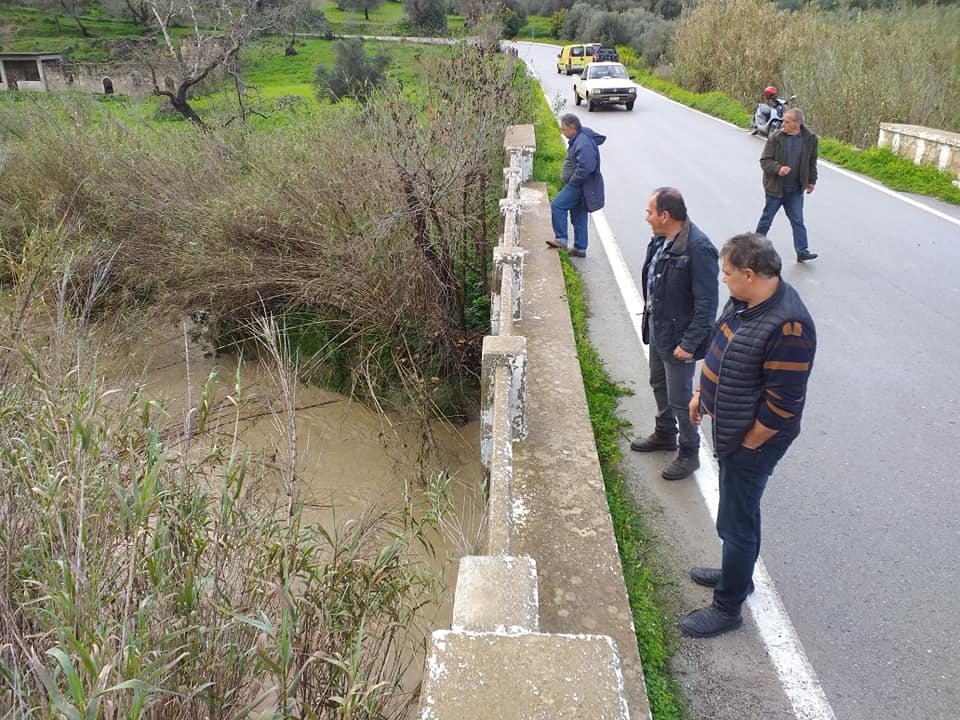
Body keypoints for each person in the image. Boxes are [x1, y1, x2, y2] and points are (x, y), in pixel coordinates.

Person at [680, 233, 816, 638]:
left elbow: (783, 404)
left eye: (727, 273)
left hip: (753, 439)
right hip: (733, 426)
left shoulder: (789, 325)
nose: (723, 280)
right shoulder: (746, 302)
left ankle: (728, 607)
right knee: (743, 511)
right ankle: (738, 575)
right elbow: (726, 353)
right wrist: (703, 395)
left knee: (735, 522)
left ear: (750, 274)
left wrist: (750, 444)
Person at [630, 188, 719, 481]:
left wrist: (690, 343)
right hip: (659, 328)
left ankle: (689, 452)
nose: (646, 217)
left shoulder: (698, 248)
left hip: (679, 337)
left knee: (681, 397)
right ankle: (665, 433)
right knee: (658, 382)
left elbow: (706, 304)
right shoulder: (662, 241)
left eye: (649, 212)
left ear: (665, 216)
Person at [755, 108, 819, 262]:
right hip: (776, 188)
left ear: (797, 123)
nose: (783, 123)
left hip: (796, 189)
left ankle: (802, 251)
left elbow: (812, 161)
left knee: (798, 221)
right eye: (784, 120)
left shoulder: (810, 139)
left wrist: (811, 181)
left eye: (787, 121)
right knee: (766, 220)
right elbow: (765, 161)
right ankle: (754, 248)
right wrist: (779, 169)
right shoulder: (775, 138)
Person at [546, 113, 605, 258]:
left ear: (572, 127)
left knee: (557, 205)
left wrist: (573, 181)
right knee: (578, 215)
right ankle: (580, 248)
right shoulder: (578, 139)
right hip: (581, 184)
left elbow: (586, 166)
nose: (562, 132)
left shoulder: (582, 142)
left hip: (579, 185)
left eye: (564, 129)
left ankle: (561, 239)